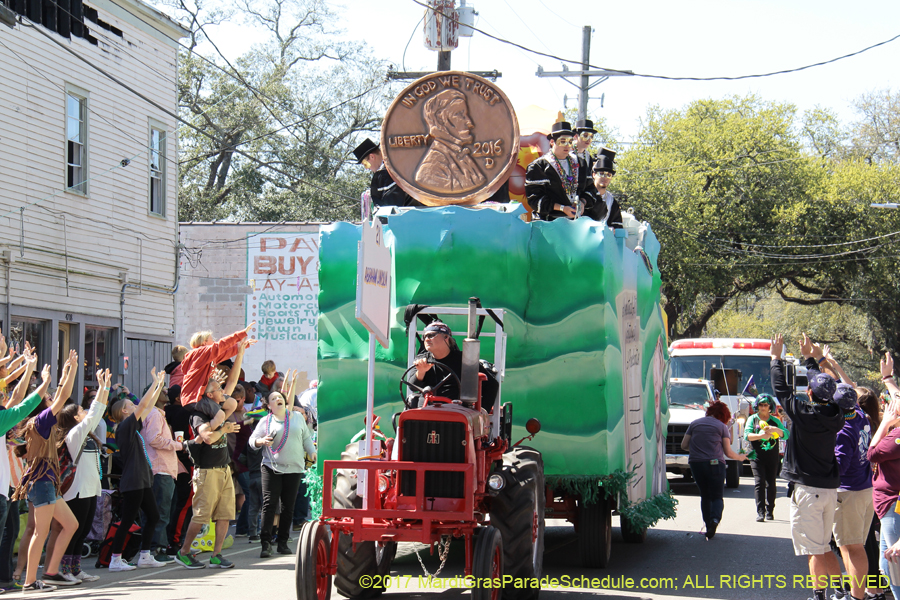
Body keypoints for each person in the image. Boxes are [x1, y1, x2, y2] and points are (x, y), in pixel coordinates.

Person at [772, 333, 848, 600]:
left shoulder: (804, 414)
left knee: (813, 550)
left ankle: (819, 595)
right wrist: (809, 359)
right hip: (828, 490)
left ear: (809, 392)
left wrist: (776, 358)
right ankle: (840, 590)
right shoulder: (837, 414)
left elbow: (781, 390)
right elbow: (824, 387)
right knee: (824, 546)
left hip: (808, 491)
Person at [175, 339, 250, 569]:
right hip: (207, 472)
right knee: (200, 515)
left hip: (223, 469)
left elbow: (233, 381)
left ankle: (216, 555)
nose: (223, 391)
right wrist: (224, 429)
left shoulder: (219, 408)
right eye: (218, 389)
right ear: (209, 394)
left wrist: (240, 353)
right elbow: (207, 437)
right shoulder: (199, 414)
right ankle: (184, 552)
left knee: (225, 514)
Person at [14, 351, 80, 593]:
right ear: (41, 404)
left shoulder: (40, 420)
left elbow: (62, 394)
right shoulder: (40, 421)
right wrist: (70, 369)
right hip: (41, 482)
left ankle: (51, 572)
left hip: (47, 482)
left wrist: (66, 374)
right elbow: (63, 395)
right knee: (40, 532)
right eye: (48, 397)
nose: (52, 398)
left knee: (70, 524)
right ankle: (30, 582)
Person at [249, 373, 316, 558]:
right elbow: (252, 441)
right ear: (269, 406)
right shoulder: (265, 421)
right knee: (269, 505)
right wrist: (261, 441)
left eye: (280, 397)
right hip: (271, 467)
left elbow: (306, 438)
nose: (277, 399)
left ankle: (283, 542)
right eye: (273, 398)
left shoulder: (297, 417)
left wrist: (312, 451)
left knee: (288, 507)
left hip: (294, 468)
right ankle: (265, 543)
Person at [108, 368, 168, 571]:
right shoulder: (125, 427)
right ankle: (115, 559)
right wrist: (154, 383)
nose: (134, 406)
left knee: (153, 516)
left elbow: (148, 406)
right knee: (127, 520)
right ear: (124, 412)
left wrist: (159, 385)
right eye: (130, 405)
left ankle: (145, 555)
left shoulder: (132, 427)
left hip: (142, 478)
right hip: (133, 480)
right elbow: (143, 404)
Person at [56, 368, 111, 583]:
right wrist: (102, 388)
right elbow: (95, 414)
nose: (85, 412)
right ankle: (64, 570)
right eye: (81, 410)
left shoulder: (87, 435)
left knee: (84, 529)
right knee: (74, 530)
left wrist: (105, 389)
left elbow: (97, 414)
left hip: (90, 487)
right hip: (77, 489)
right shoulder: (74, 434)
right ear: (74, 417)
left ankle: (76, 569)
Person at [822, 383, 874, 600]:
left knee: (853, 548)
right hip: (864, 489)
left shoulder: (843, 431)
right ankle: (854, 594)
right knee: (851, 546)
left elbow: (840, 467)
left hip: (849, 493)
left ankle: (856, 597)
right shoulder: (861, 416)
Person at [680, 400, 747, 539]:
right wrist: (740, 457)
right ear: (724, 415)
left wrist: (697, 448)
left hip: (696, 463)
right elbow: (728, 452)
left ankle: (708, 525)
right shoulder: (722, 427)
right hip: (715, 463)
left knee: (705, 495)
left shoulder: (695, 424)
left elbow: (684, 445)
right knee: (717, 496)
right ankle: (715, 520)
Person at [179, 323, 254, 432]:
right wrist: (241, 334)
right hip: (194, 398)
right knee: (220, 415)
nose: (214, 341)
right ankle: (212, 432)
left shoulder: (208, 357)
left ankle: (217, 425)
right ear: (204, 342)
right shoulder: (199, 353)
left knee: (232, 403)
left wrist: (241, 346)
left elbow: (225, 353)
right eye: (212, 339)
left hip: (201, 397)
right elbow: (220, 345)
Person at [407, 321, 499, 407]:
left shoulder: (464, 360)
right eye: (425, 336)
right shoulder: (421, 359)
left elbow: (492, 385)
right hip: (424, 411)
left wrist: (482, 410)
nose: (426, 339)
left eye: (431, 335)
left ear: (446, 337)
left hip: (454, 411)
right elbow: (412, 387)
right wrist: (421, 372)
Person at [143, 376, 184, 563]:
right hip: (159, 470)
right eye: (161, 389)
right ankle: (155, 548)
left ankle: (154, 547)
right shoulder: (154, 414)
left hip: (163, 469)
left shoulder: (157, 414)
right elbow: (154, 439)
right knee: (160, 512)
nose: (166, 392)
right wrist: (177, 445)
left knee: (161, 511)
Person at [869, 353, 900, 600]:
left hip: (893, 505)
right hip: (888, 504)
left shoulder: (896, 438)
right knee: (885, 562)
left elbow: (872, 453)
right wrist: (888, 378)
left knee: (895, 562)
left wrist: (885, 424)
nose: (891, 402)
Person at [525, 121, 596, 221]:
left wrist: (582, 202)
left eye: (570, 141)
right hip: (548, 222)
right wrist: (562, 208)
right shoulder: (539, 166)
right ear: (552, 142)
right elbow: (535, 199)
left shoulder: (580, 163)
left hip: (574, 222)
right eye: (562, 141)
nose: (567, 145)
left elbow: (591, 189)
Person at [743, 393, 789, 521]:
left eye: (766, 405)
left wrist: (775, 430)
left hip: (771, 457)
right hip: (756, 456)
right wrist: (761, 436)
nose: (763, 407)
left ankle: (770, 510)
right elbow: (747, 435)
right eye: (761, 405)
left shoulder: (775, 421)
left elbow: (786, 434)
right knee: (759, 483)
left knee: (771, 483)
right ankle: (760, 512)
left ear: (770, 406)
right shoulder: (753, 419)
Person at [352, 139, 421, 208]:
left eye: (365, 164)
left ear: (372, 157)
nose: (366, 168)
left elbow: (389, 205)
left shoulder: (385, 174)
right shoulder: (397, 162)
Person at [584, 150, 624, 229]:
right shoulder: (584, 195)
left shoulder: (611, 201)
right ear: (594, 174)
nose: (605, 178)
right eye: (601, 174)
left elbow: (617, 225)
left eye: (608, 175)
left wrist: (612, 229)